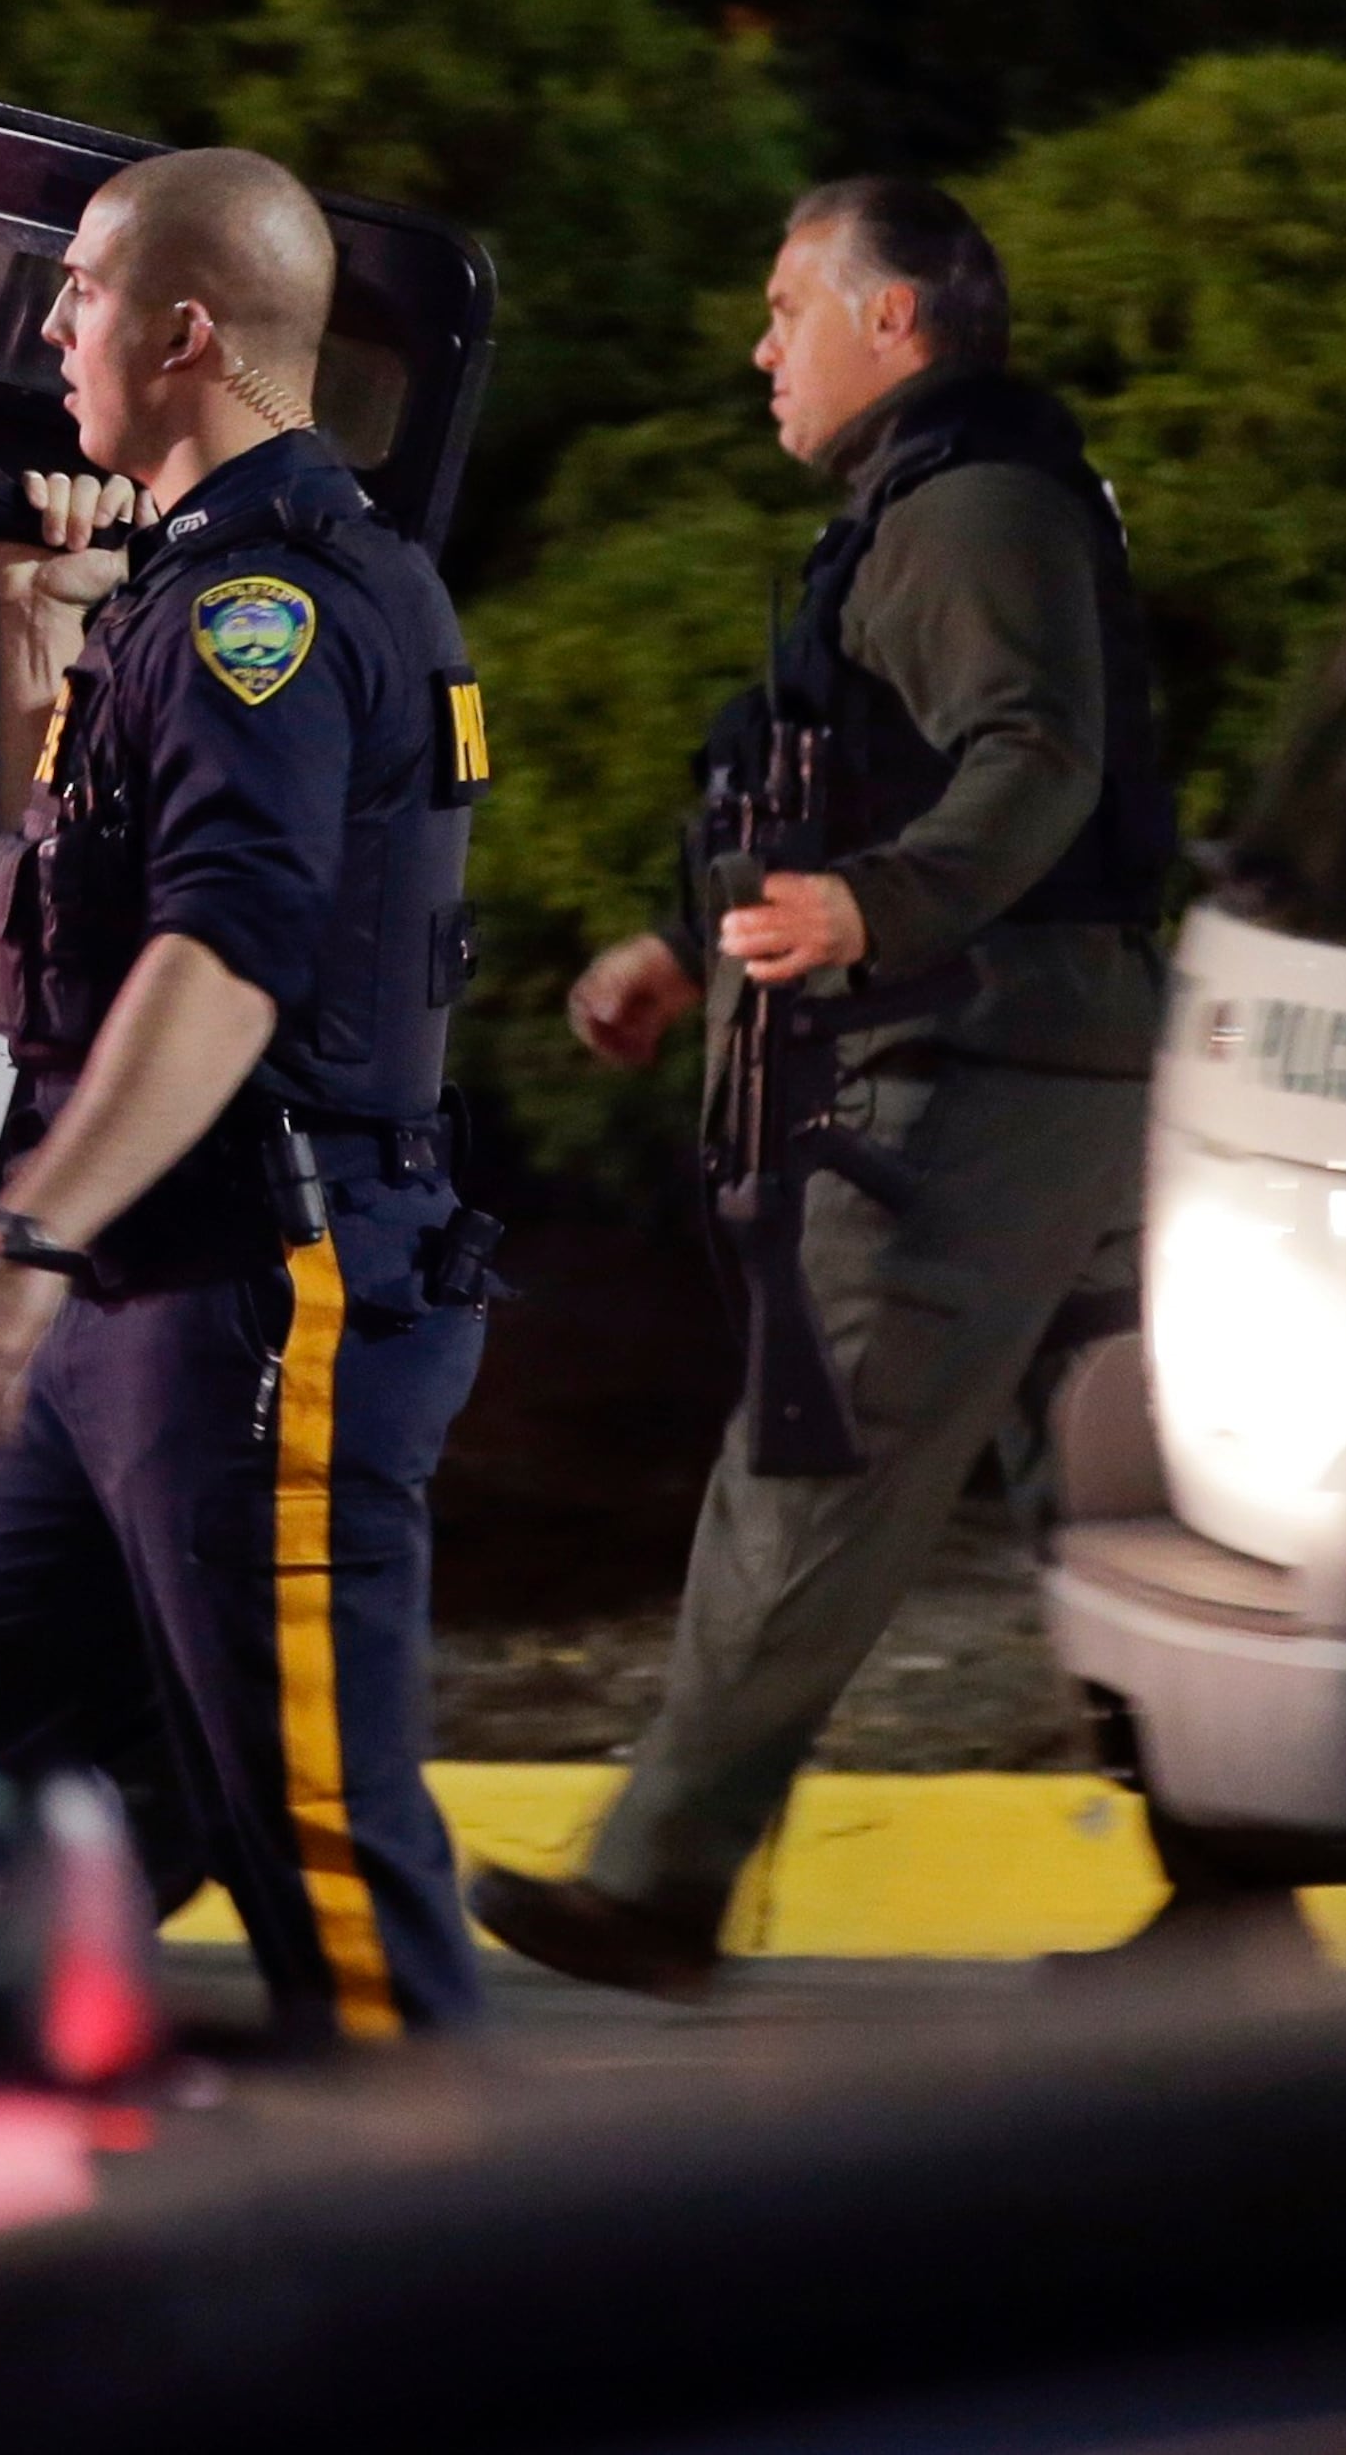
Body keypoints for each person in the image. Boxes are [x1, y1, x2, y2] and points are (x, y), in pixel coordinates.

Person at [471, 178, 1172, 1999]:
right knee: (1115, 1507)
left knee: (820, 1451)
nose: (760, 345)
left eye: (791, 307)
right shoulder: (943, 504)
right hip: (1033, 1061)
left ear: (900, 321)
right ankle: (1235, 1880)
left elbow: (1033, 759)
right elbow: (834, 788)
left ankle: (654, 1882)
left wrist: (880, 909)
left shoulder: (967, 510)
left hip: (964, 1085)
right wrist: (688, 938)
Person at [0, 145, 498, 2047]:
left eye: (80, 285)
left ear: (185, 327)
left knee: (322, 1860)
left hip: (257, 1290)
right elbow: (70, 922)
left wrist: (18, 1241)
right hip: (136, 1309)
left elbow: (225, 960)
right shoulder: (181, 599)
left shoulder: (273, 615)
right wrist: (32, 653)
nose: (51, 322)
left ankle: (478, 2299)